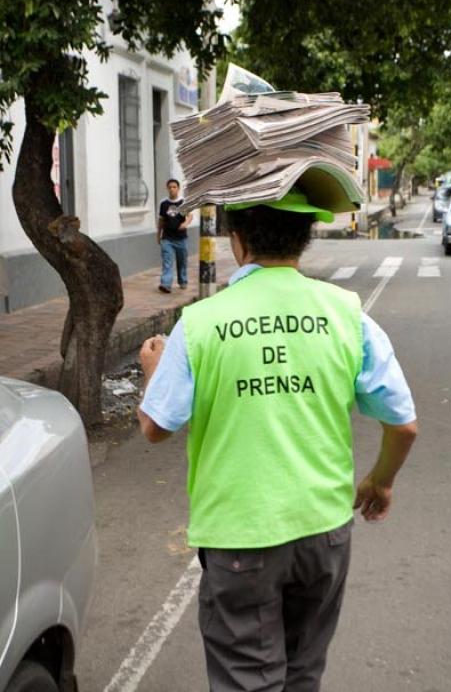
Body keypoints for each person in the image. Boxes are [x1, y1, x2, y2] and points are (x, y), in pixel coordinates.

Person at [138, 187, 417, 692]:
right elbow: (404, 423)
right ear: (305, 238)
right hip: (324, 532)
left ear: (237, 240)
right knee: (303, 673)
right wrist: (380, 481)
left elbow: (156, 426)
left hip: (239, 537)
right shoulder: (346, 312)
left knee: (248, 680)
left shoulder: (201, 322)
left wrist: (155, 371)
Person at [157, 178, 192, 292]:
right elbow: (161, 220)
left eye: (174, 187)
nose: (172, 189)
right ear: (167, 189)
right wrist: (158, 234)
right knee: (167, 262)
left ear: (178, 188)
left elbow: (190, 216)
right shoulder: (164, 204)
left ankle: (183, 281)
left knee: (182, 262)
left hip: (181, 238)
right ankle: (166, 284)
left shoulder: (183, 202)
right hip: (167, 238)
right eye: (170, 187)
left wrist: (185, 223)